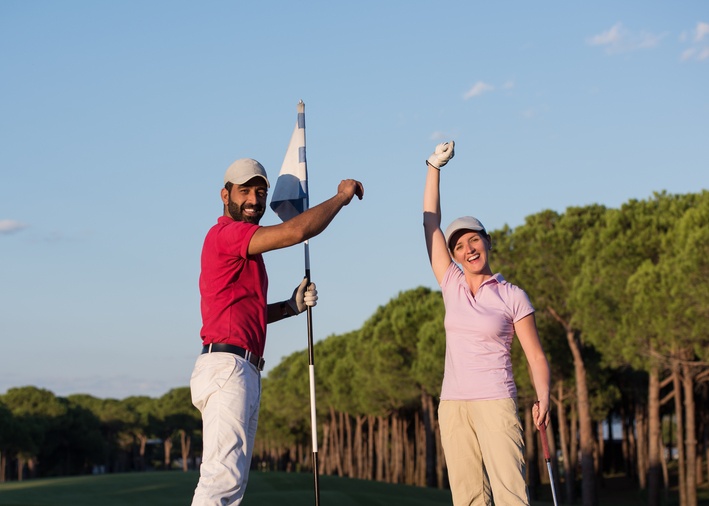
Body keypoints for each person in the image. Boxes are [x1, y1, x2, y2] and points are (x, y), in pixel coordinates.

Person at [190, 157, 364, 505]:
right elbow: (296, 232)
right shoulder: (226, 234)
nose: (254, 200)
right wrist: (341, 197)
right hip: (228, 368)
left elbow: (245, 312)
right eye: (245, 191)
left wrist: (289, 307)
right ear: (225, 195)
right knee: (221, 482)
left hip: (241, 368)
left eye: (260, 192)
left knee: (232, 484)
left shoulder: (245, 251)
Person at [422, 141, 551, 506]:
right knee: (468, 498)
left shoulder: (513, 295)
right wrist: (434, 167)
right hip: (453, 405)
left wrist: (543, 398)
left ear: (488, 242)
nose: (468, 249)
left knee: (511, 494)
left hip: (496, 401)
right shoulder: (451, 283)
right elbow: (430, 222)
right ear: (455, 255)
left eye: (474, 240)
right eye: (459, 246)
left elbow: (536, 357)